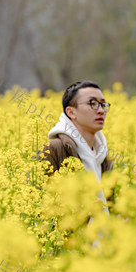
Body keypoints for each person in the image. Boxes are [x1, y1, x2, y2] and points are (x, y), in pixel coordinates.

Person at [37, 80, 113, 210]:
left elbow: (111, 205)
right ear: (71, 112)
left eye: (103, 104)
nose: (101, 110)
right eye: (92, 103)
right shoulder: (52, 149)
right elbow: (39, 204)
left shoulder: (104, 155)